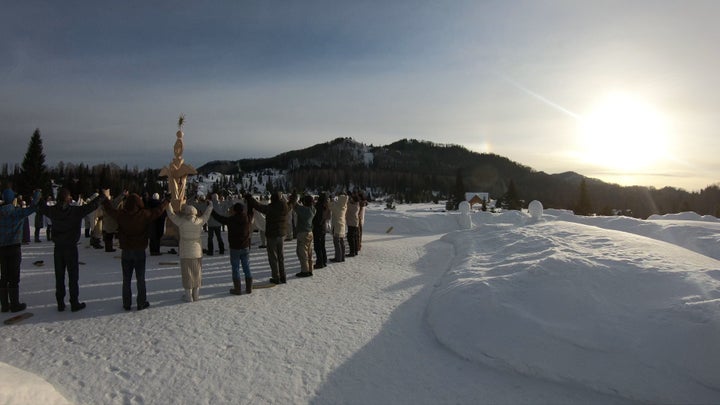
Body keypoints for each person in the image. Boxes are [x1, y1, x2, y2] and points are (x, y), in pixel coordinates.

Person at [102, 190, 169, 311]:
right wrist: (166, 201)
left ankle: (126, 303)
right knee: (140, 278)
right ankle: (141, 302)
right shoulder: (143, 214)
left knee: (126, 279)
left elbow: (110, 210)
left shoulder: (121, 214)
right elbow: (158, 211)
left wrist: (105, 201)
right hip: (139, 251)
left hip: (126, 251)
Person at [38, 188, 102, 312]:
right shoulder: (75, 211)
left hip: (58, 248)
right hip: (71, 248)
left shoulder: (53, 211)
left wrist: (39, 196)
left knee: (59, 276)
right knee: (73, 276)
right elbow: (91, 206)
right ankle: (74, 302)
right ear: (68, 199)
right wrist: (102, 197)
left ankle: (60, 303)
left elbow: (41, 207)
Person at [0, 188, 41, 312]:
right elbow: (33, 207)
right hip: (14, 248)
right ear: (13, 199)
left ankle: (4, 305)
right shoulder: (17, 212)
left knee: (4, 276)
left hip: (1, 248)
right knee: (14, 277)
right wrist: (37, 194)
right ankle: (14, 304)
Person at [166, 200, 213, 302]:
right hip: (197, 252)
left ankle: (188, 295)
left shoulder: (181, 222)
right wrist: (210, 206)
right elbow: (206, 215)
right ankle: (196, 295)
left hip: (185, 252)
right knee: (197, 273)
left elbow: (171, 215)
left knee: (187, 273)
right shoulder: (199, 221)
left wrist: (168, 204)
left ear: (186, 213)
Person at [245, 191, 290, 284]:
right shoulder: (285, 206)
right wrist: (293, 196)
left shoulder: (271, 208)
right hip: (281, 235)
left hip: (272, 235)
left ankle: (276, 277)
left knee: (273, 257)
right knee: (281, 256)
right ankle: (283, 276)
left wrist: (250, 199)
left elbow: (258, 206)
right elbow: (292, 203)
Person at [211, 201, 253, 294]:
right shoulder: (248, 218)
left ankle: (237, 289)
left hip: (235, 247)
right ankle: (249, 288)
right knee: (246, 267)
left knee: (235, 268)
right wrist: (250, 201)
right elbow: (251, 211)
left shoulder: (231, 220)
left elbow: (219, 218)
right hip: (245, 246)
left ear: (235, 210)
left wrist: (211, 210)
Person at [293, 195, 316, 278]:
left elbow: (295, 205)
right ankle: (310, 269)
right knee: (309, 252)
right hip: (310, 232)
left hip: (303, 233)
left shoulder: (304, 210)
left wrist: (295, 198)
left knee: (302, 253)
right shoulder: (313, 209)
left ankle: (305, 271)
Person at [312, 193, 330, 269]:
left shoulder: (319, 207)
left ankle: (320, 262)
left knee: (317, 246)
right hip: (323, 227)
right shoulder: (326, 206)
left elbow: (318, 219)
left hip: (318, 228)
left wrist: (313, 222)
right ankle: (324, 260)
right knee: (322, 245)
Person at [329, 192, 348, 263]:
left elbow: (330, 206)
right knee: (342, 242)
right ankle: (342, 257)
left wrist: (330, 199)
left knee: (337, 243)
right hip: (342, 226)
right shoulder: (344, 206)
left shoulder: (337, 207)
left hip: (337, 226)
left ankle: (338, 258)